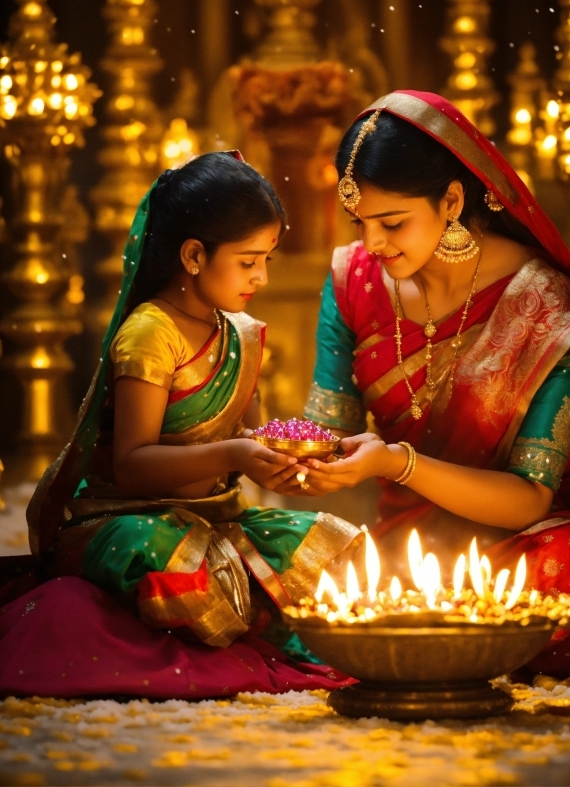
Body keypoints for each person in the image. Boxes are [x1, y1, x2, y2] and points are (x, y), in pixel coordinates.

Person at [0, 151, 362, 699]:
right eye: (248, 261)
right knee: (188, 572)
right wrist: (235, 457)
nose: (261, 277)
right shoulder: (152, 333)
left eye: (266, 258)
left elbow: (250, 439)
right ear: (193, 255)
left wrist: (287, 466)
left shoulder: (240, 333)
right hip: (128, 519)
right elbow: (133, 464)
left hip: (215, 518)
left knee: (329, 547)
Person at [294, 91, 570, 678]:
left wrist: (397, 464)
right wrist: (282, 454)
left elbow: (530, 497)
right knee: (274, 557)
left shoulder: (552, 312)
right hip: (402, 548)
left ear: (452, 199)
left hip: (526, 544)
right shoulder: (352, 279)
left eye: (392, 222)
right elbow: (328, 428)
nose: (373, 243)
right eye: (361, 222)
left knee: (568, 571)